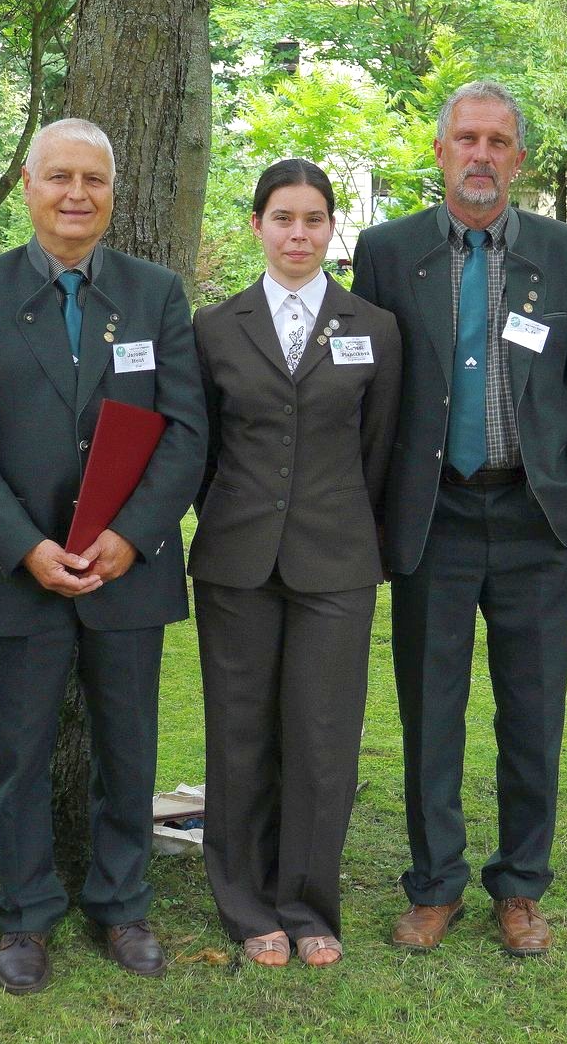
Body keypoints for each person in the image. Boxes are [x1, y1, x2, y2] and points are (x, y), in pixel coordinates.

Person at [0, 118, 206, 995]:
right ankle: (23, 913)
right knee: (19, 752)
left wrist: (132, 534)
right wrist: (25, 546)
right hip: (23, 572)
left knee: (128, 747)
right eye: (60, 177)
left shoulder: (157, 294)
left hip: (130, 568)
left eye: (94, 179)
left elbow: (187, 430)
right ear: (28, 185)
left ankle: (121, 904)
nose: (77, 194)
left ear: (114, 193)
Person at [352, 82, 567, 956]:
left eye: (499, 142)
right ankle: (435, 886)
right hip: (433, 515)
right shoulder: (387, 252)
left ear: (519, 159)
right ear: (440, 151)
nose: (481, 155)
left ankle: (521, 885)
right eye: (467, 138)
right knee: (432, 710)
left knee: (532, 712)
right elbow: (369, 386)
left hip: (535, 516)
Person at [189, 159, 402, 968]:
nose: (299, 234)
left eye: (314, 219)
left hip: (337, 560)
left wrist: (343, 525)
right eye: (283, 218)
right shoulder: (216, 327)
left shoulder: (373, 327)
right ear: (257, 226)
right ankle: (246, 905)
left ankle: (307, 904)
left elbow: (378, 447)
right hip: (237, 558)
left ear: (332, 228)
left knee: (322, 737)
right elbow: (202, 449)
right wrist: (233, 515)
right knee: (239, 732)